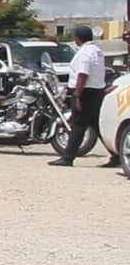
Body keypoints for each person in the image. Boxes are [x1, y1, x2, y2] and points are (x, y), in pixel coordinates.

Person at [49, 25, 120, 168]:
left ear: (78, 38)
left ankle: (68, 157)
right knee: (98, 126)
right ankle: (116, 155)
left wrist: (77, 94)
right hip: (96, 92)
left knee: (78, 125)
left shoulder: (84, 53)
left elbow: (83, 74)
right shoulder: (97, 51)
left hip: (85, 92)